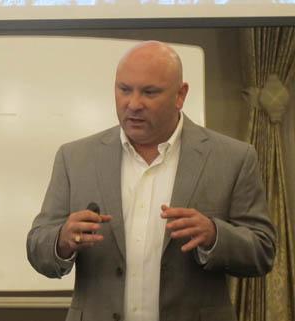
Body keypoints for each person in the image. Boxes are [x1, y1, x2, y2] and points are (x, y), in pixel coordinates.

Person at [26, 41, 275, 321]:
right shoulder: (74, 158)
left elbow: (263, 251)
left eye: (149, 92)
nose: (133, 104)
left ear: (180, 95)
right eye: (124, 90)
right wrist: (62, 241)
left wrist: (215, 236)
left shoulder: (233, 158)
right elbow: (37, 248)